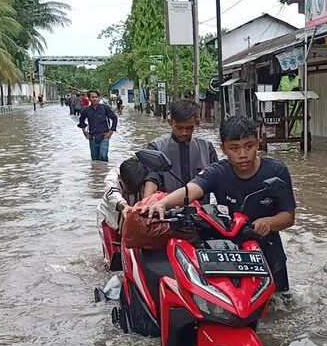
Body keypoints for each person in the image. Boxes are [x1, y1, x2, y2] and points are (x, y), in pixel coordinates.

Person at [140, 115, 296, 294]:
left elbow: (288, 217)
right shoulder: (218, 172)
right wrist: (162, 203)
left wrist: (269, 222)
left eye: (249, 146)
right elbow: (191, 190)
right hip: (231, 253)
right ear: (223, 149)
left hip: (269, 252)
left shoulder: (277, 171)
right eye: (234, 148)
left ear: (258, 143)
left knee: (280, 306)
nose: (243, 154)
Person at [143, 99, 218, 196]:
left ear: (197, 122)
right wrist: (147, 202)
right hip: (165, 208)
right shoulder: (156, 147)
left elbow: (218, 179)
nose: (184, 133)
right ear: (170, 122)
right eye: (179, 128)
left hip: (200, 209)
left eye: (189, 128)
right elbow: (152, 178)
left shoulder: (207, 147)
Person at [97, 156, 147, 234]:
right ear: (121, 178)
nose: (132, 190)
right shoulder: (112, 179)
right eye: (130, 187)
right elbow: (113, 194)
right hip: (109, 219)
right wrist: (124, 206)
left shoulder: (143, 174)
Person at [77, 90, 118, 162]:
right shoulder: (86, 110)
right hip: (92, 137)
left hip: (104, 136)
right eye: (92, 97)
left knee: (103, 156)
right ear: (89, 99)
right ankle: (97, 172)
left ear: (99, 98)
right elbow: (81, 120)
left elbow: (114, 118)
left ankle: (105, 171)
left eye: (96, 97)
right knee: (95, 160)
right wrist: (84, 132)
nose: (94, 99)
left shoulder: (105, 108)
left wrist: (111, 131)